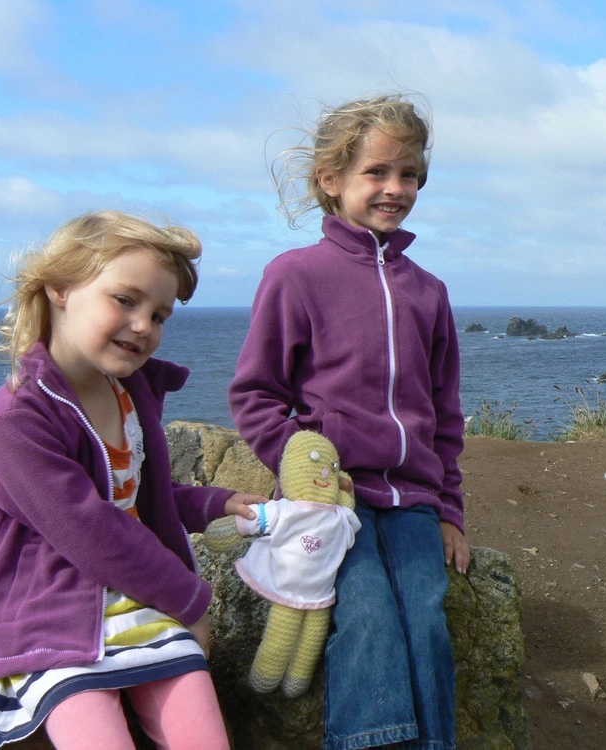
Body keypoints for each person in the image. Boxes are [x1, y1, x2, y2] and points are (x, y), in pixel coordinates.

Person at [0, 210, 265, 750]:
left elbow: (131, 498)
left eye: (159, 315)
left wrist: (212, 504)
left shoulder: (127, 393)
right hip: (49, 617)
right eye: (125, 300)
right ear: (60, 288)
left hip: (132, 598)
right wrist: (190, 600)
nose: (144, 325)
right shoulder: (19, 418)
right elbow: (90, 528)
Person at [228, 93, 471, 749]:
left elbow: (445, 414)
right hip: (332, 503)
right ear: (331, 180)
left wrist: (450, 510)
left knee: (425, 618)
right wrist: (306, 471)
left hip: (413, 499)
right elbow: (255, 395)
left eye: (410, 174)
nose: (396, 188)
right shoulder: (296, 276)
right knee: (366, 616)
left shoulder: (430, 292)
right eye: (377, 172)